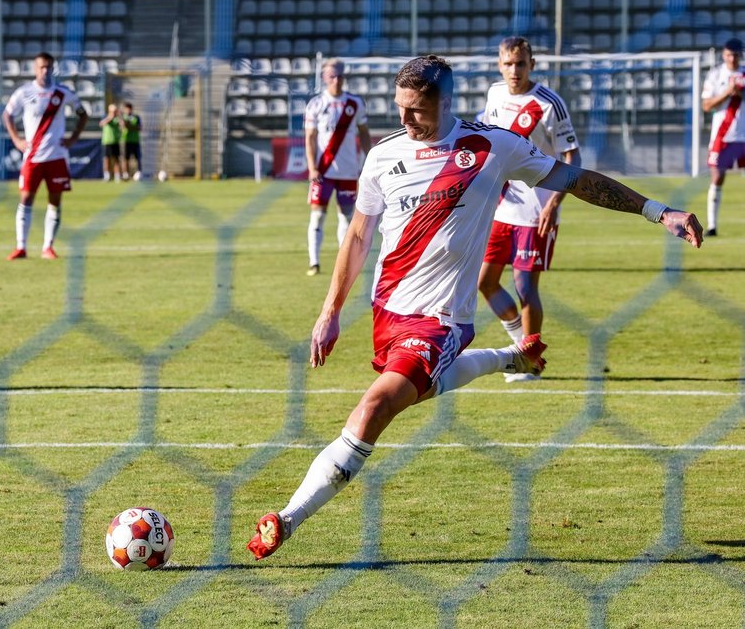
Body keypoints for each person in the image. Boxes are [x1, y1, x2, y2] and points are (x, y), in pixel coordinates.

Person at [247, 55, 703, 561]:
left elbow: (576, 179)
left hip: (441, 319)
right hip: (387, 311)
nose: (405, 119)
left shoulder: (492, 147)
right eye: (399, 108)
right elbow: (357, 236)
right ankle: (509, 357)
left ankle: (287, 518)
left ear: (445, 103)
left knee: (374, 407)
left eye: (416, 110)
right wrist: (329, 311)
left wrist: (658, 211)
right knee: (415, 393)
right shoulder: (382, 156)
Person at [477, 37, 581, 382]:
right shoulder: (494, 94)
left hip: (537, 210)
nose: (514, 71)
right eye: (508, 64)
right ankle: (522, 347)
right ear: (499, 65)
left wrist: (555, 202)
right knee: (485, 282)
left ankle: (529, 363)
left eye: (521, 64)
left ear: (532, 64)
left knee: (525, 287)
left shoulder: (549, 104)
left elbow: (572, 157)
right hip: (501, 205)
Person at [2, 51, 88, 260]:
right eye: (41, 67)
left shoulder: (62, 92)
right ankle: (21, 246)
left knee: (55, 201)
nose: (45, 71)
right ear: (35, 69)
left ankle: (48, 247)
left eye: (48, 67)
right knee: (25, 198)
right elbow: (7, 114)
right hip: (32, 157)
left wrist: (73, 138)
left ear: (53, 68)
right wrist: (16, 140)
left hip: (57, 156)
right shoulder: (25, 92)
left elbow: (83, 113)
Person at [304, 58, 372, 276]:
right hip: (323, 171)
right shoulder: (315, 104)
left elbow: (363, 132)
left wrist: (368, 161)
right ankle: (314, 262)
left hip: (348, 171)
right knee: (317, 216)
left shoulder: (355, 103)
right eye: (332, 76)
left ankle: (344, 262)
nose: (336, 80)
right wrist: (312, 168)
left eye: (340, 75)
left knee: (346, 216)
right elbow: (310, 138)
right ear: (324, 78)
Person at [702, 37, 745, 237]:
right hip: (722, 136)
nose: (732, 58)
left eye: (736, 55)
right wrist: (728, 92)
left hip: (743, 135)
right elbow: (707, 105)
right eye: (729, 55)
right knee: (717, 177)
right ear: (723, 54)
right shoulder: (715, 74)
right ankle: (712, 226)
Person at [100, 103, 124, 182]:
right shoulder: (106, 117)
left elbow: (122, 125)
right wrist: (110, 117)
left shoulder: (117, 118)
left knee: (116, 159)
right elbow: (102, 124)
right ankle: (107, 176)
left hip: (115, 141)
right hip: (107, 141)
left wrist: (119, 118)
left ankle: (117, 176)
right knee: (106, 159)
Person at [121, 102, 143, 180]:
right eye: (127, 109)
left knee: (138, 158)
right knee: (125, 158)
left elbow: (139, 128)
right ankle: (126, 174)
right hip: (126, 140)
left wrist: (130, 126)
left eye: (129, 108)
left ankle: (139, 173)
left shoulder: (136, 117)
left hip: (135, 140)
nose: (128, 110)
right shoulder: (123, 117)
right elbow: (122, 127)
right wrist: (131, 126)